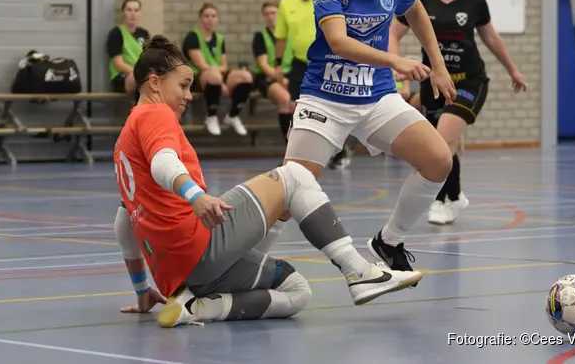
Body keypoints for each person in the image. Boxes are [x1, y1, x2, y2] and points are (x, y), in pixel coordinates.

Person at [112, 36, 422, 328]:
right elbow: (163, 162)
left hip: (179, 276)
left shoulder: (125, 139)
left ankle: (196, 307)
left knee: (297, 290)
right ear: (154, 81)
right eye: (183, 85)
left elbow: (124, 222)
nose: (189, 95)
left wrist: (142, 288)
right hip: (200, 249)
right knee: (295, 176)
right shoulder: (155, 114)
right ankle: (359, 271)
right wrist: (196, 197)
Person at [271, 0, 456, 274]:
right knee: (289, 195)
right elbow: (338, 41)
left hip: (375, 96)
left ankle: (389, 241)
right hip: (326, 97)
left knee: (439, 160)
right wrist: (395, 59)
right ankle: (240, 263)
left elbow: (415, 11)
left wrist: (437, 64)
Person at [390, 0, 527, 225]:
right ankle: (456, 196)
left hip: (469, 82)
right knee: (441, 146)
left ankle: (442, 201)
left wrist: (513, 69)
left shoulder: (474, 0)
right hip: (434, 84)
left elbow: (491, 38)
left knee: (443, 138)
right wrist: (396, 65)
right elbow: (394, 33)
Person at [272, 0, 354, 169]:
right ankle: (293, 153)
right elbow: (281, 36)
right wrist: (278, 63)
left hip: (326, 60)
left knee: (331, 106)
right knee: (293, 106)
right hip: (300, 63)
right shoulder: (286, 4)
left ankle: (339, 150)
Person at [182, 2, 253, 137]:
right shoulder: (193, 37)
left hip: (217, 75)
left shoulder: (219, 38)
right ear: (200, 18)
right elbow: (201, 65)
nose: (210, 19)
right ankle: (211, 116)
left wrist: (220, 76)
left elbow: (224, 65)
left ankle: (233, 115)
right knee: (214, 77)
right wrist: (220, 81)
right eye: (206, 16)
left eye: (213, 16)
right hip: (197, 77)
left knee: (245, 76)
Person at [251, 1, 294, 141]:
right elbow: (263, 64)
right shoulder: (260, 37)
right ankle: (288, 144)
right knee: (284, 98)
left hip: (289, 75)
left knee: (298, 103)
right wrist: (279, 78)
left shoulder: (291, 34)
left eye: (273, 13)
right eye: (267, 14)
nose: (270, 17)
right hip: (266, 77)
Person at [106, 0, 150, 96]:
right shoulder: (116, 33)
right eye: (129, 10)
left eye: (136, 10)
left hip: (141, 75)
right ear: (123, 12)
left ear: (140, 13)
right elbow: (118, 64)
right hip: (123, 76)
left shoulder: (144, 33)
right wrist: (140, 73)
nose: (133, 14)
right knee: (138, 80)